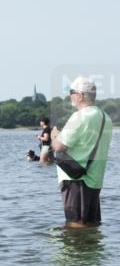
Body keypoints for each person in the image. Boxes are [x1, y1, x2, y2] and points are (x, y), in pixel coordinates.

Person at [52, 76, 113, 228]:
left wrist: (54, 136)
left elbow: (59, 146)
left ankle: (77, 252)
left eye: (71, 92)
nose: (69, 96)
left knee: (76, 224)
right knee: (91, 225)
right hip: (95, 179)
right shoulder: (106, 117)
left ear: (80, 95)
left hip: (76, 179)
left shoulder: (80, 116)